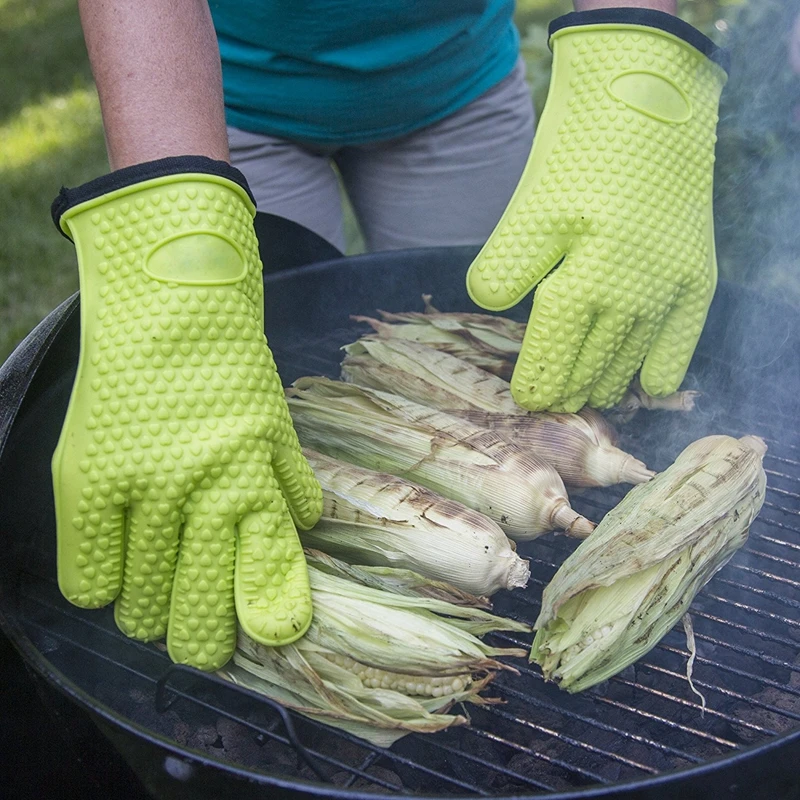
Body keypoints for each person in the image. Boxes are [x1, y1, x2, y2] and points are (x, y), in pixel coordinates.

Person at [52, 0, 727, 671]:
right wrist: (174, 226)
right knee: (247, 403)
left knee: (510, 331)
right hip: (210, 96)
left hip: (459, 82)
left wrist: (643, 69)